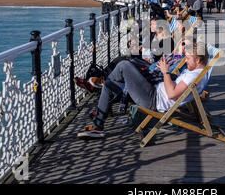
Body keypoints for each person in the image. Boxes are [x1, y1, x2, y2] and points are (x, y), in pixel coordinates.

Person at [77, 43, 209, 139]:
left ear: (197, 60)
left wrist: (166, 72)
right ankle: (105, 95)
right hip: (153, 91)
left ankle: (102, 103)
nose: (186, 60)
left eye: (188, 58)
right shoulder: (197, 72)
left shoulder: (193, 76)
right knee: (125, 69)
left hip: (153, 99)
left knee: (124, 65)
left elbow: (171, 94)